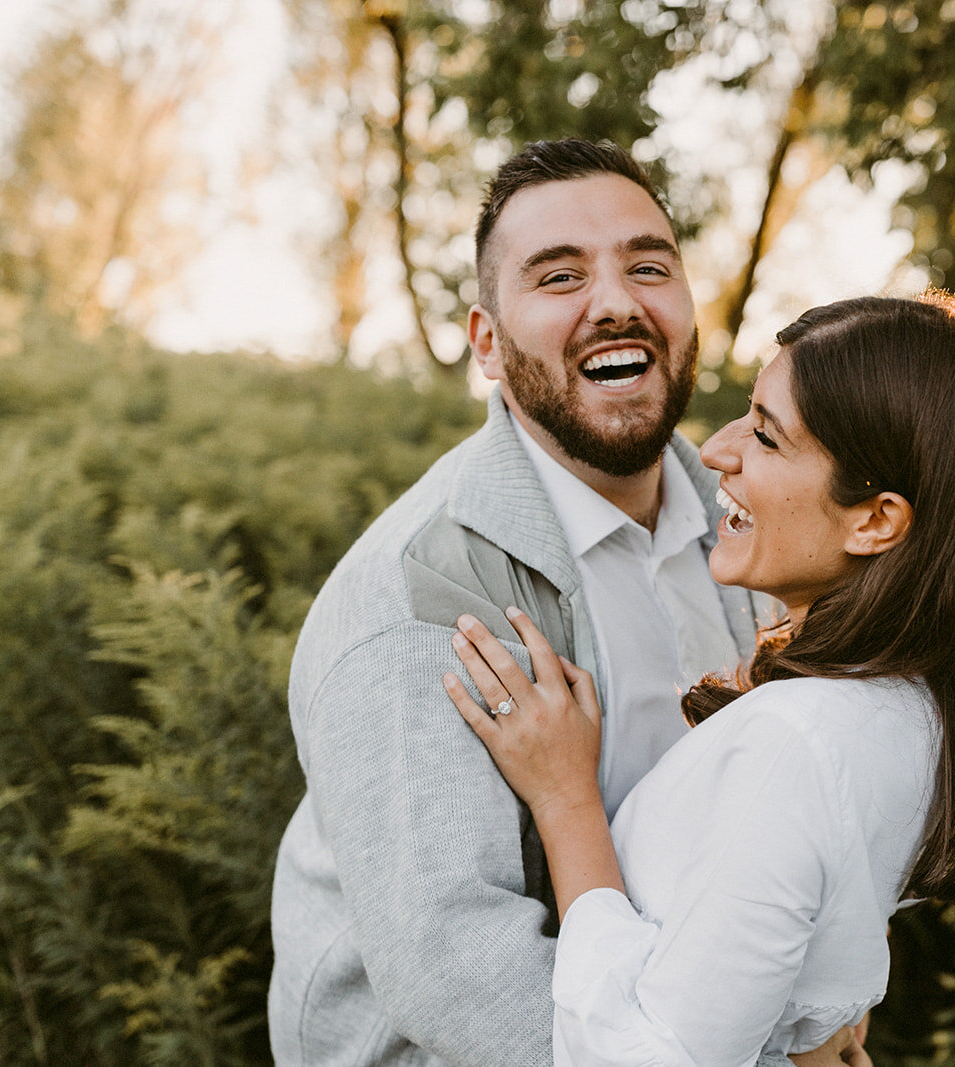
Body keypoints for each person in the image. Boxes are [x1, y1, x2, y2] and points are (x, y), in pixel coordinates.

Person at [444, 292, 955, 1065]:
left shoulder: (793, 741)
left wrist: (565, 799)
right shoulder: (922, 706)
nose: (716, 450)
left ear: (875, 520)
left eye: (769, 438)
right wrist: (815, 1033)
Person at [269, 139, 786, 1065]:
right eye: (559, 277)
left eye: (648, 265)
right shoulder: (413, 602)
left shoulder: (748, 521)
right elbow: (458, 973)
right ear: (488, 345)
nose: (618, 301)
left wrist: (808, 1011)